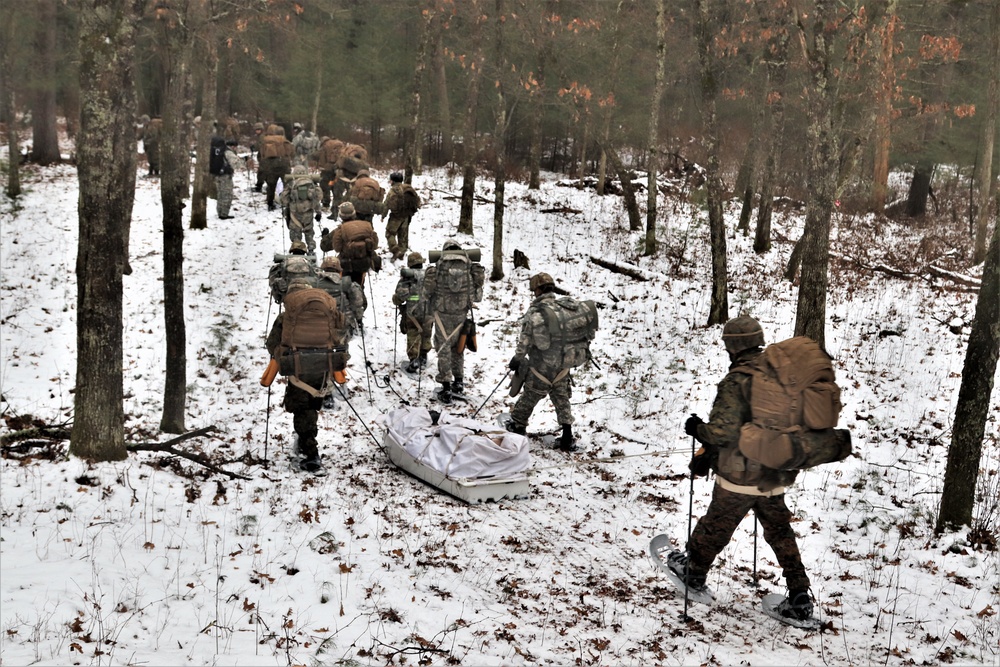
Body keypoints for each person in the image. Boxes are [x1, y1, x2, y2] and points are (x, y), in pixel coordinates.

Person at [667, 315, 815, 623]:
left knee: (716, 524)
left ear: (733, 347)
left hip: (741, 475)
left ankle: (693, 572)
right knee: (780, 531)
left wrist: (698, 429)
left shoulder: (736, 382)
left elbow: (723, 433)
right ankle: (800, 594)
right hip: (775, 472)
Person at [265, 278, 347, 474]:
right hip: (322, 368)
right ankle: (306, 442)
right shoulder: (326, 316)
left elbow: (271, 344)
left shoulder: (286, 318)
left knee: (302, 409)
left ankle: (310, 455)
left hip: (298, 368)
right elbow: (340, 336)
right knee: (311, 407)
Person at [505, 272, 579, 452]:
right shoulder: (564, 308)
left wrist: (517, 359)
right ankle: (568, 436)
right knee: (561, 398)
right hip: (562, 365)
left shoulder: (534, 313)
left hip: (541, 366)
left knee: (530, 394)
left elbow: (525, 340)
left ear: (537, 290)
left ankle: (518, 424)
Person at [422, 240, 484, 403]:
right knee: (459, 348)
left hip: (442, 315)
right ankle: (458, 382)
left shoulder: (437, 269)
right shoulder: (468, 269)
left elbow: (426, 293)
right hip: (461, 315)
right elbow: (477, 297)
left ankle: (446, 386)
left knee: (443, 348)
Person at [320, 202, 381, 302]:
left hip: (345, 266)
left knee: (345, 289)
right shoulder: (366, 226)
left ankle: (347, 308)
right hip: (363, 265)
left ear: (341, 215)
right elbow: (375, 244)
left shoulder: (340, 230)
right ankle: (359, 308)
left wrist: (325, 237)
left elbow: (327, 247)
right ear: (354, 213)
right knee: (359, 287)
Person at [392, 252, 432, 373]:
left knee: (413, 334)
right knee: (426, 333)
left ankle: (414, 360)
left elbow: (401, 295)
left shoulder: (407, 278)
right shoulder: (429, 277)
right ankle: (424, 356)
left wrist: (396, 299)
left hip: (412, 313)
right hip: (428, 311)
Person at [315, 256, 365, 340]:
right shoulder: (346, 283)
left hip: (318, 325)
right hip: (342, 327)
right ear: (339, 270)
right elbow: (357, 304)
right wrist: (358, 319)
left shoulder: (315, 284)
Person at [280, 165, 322, 252]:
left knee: (295, 234)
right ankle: (311, 249)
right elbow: (317, 198)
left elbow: (284, 200)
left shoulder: (291, 184)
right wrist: (318, 212)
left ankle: (297, 250)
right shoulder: (311, 183)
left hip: (295, 214)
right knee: (309, 232)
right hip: (308, 214)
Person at [383, 172, 422, 262]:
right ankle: (402, 252)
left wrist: (383, 215)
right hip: (406, 216)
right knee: (403, 235)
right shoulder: (408, 188)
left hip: (396, 216)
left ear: (393, 181)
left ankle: (395, 250)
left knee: (390, 233)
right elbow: (417, 200)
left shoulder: (393, 190)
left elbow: (386, 204)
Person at [258, 123, 294, 211]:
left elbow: (261, 154)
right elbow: (291, 152)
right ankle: (288, 202)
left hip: (270, 165)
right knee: (287, 184)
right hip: (283, 165)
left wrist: (263, 163)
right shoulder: (284, 140)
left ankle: (270, 204)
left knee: (271, 185)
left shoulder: (266, 140)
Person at [214, 138, 244, 220]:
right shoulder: (229, 152)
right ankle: (224, 214)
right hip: (226, 176)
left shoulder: (220, 151)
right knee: (227, 194)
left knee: (220, 194)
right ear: (233, 146)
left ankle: (220, 212)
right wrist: (244, 162)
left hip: (218, 175)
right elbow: (236, 164)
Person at [250, 122, 265, 192]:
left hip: (264, 156)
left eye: (258, 129)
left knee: (262, 172)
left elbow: (260, 146)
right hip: (262, 156)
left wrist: (254, 147)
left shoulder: (262, 136)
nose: (257, 131)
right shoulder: (260, 136)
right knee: (261, 172)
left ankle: (259, 186)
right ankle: (259, 185)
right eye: (256, 129)